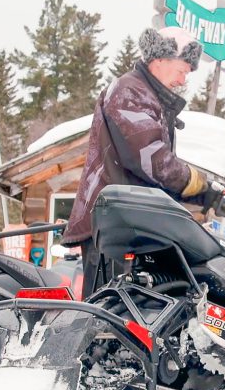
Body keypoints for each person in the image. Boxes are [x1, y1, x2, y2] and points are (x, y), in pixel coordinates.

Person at [62, 26, 212, 297]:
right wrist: (200, 183)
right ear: (160, 59)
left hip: (131, 223)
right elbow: (153, 161)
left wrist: (209, 196)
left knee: (142, 315)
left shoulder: (147, 96)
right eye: (182, 70)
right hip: (112, 225)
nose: (182, 80)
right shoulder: (129, 92)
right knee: (110, 318)